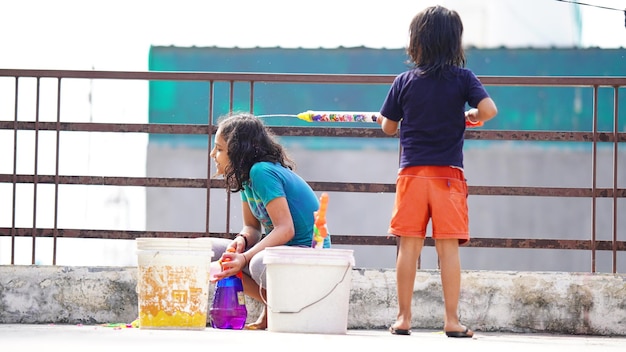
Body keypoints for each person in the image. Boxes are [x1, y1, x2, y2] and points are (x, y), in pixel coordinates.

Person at [376, 5, 498, 338]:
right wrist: (472, 114)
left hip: (412, 175)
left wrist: (387, 118)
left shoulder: (403, 81)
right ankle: (452, 320)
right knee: (448, 249)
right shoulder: (464, 79)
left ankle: (403, 318)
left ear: (416, 42)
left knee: (408, 247)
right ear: (454, 43)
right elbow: (489, 109)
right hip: (448, 176)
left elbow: (388, 127)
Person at [209, 112, 331, 330]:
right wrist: (241, 241)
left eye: (219, 149)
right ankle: (274, 305)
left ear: (237, 152)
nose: (212, 154)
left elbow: (286, 230)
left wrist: (244, 258)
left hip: (308, 254)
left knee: (257, 263)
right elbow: (252, 228)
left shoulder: (261, 172)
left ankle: (277, 308)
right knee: (209, 251)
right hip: (281, 253)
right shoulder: (246, 178)